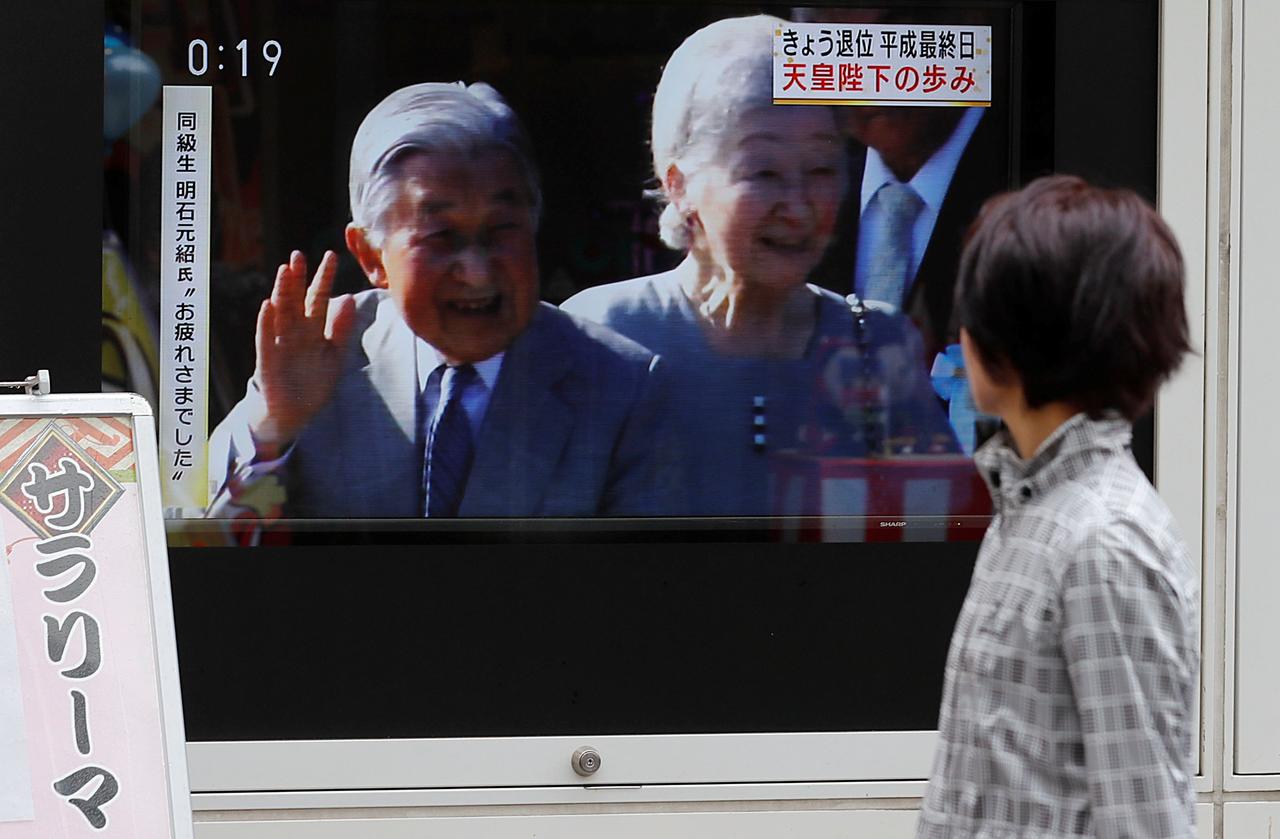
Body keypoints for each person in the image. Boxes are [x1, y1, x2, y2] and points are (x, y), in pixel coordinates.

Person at [207, 82, 668, 519]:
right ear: (371, 256)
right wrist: (273, 429)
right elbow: (194, 547)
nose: (477, 272)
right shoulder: (320, 355)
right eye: (441, 237)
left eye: (502, 230)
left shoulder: (619, 385)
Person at [563, 15, 959, 516]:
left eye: (820, 170)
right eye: (764, 172)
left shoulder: (877, 344)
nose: (798, 205)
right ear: (680, 184)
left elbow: (940, 535)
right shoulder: (602, 336)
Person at [917, 175, 1198, 838]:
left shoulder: (1104, 541)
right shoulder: (1031, 506)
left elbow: (1145, 820)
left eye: (972, 313)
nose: (959, 334)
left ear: (1013, 340)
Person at [801, 9, 1008, 363]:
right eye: (843, 44)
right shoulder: (797, 187)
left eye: (897, 35)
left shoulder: (1034, 174)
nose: (876, 72)